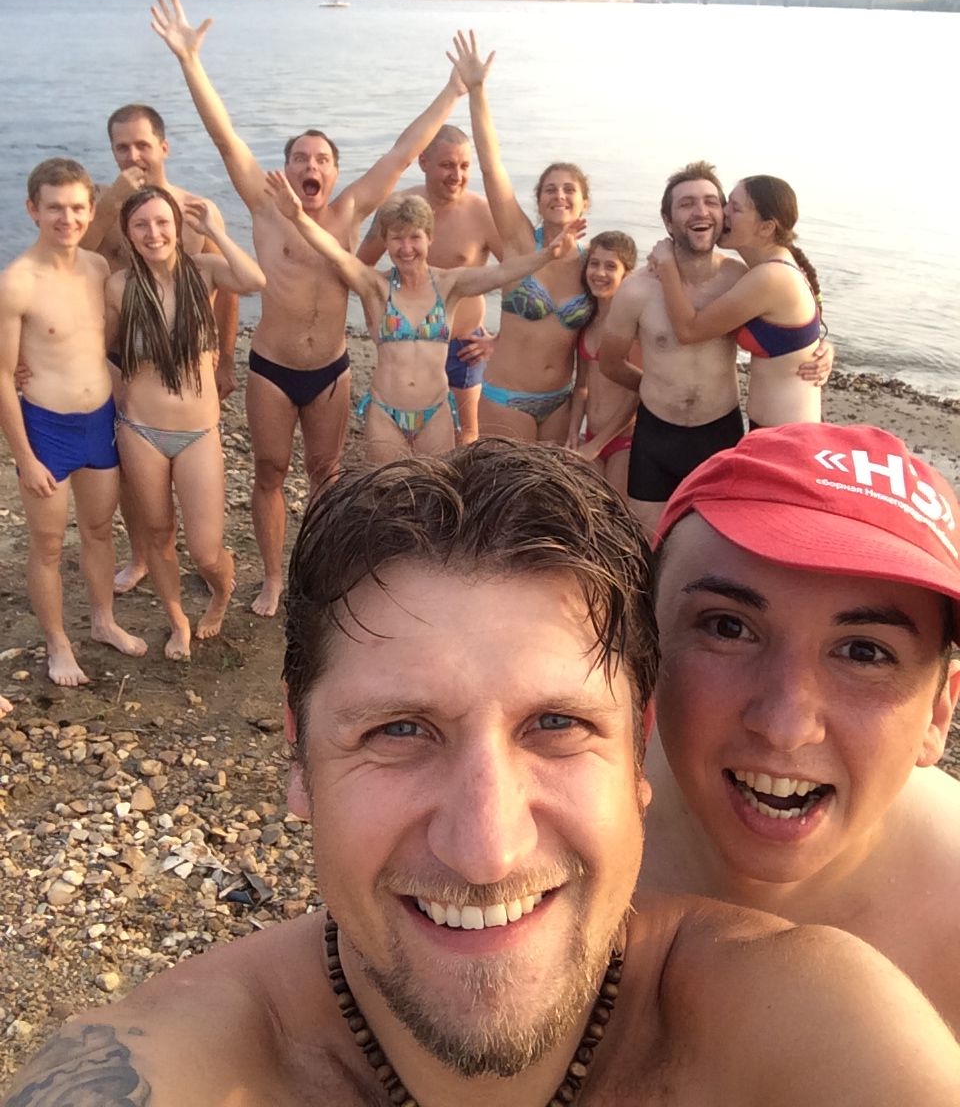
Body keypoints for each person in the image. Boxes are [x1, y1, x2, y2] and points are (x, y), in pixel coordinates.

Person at [8, 441, 959, 1105]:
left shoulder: (812, 1012)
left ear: (636, 751)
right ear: (296, 753)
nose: (486, 848)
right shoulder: (169, 1060)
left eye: (557, 725)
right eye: (400, 730)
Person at [151, 0, 468, 617]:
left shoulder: (349, 211)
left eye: (322, 159)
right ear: (286, 170)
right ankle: (273, 577)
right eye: (300, 158)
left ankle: (319, 570)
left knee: (327, 474)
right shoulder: (266, 207)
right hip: (271, 366)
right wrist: (190, 59)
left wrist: (454, 91)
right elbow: (224, 137)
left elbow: (403, 151)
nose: (311, 166)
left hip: (331, 369)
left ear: (335, 171)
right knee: (268, 472)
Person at [642, 421, 960, 1030]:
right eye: (728, 628)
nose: (785, 726)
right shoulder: (530, 842)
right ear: (644, 651)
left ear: (938, 713)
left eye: (864, 653)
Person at [268, 174, 582, 463]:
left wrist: (547, 255)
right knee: (389, 492)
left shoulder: (449, 285)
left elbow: (502, 273)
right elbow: (336, 255)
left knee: (434, 493)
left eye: (414, 237)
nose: (406, 248)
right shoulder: (375, 287)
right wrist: (297, 216)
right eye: (396, 239)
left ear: (429, 238)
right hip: (385, 412)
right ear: (386, 242)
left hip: (436, 412)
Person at [600, 161, 830, 540]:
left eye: (712, 201)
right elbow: (610, 363)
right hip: (656, 434)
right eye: (686, 203)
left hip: (721, 432)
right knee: (648, 543)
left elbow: (793, 311)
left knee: (715, 545)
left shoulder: (742, 279)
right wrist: (656, 386)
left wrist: (821, 345)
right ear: (668, 220)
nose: (701, 211)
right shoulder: (637, 290)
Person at [0, 159, 147, 687]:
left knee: (99, 530)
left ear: (90, 210)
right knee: (47, 545)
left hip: (98, 420)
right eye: (55, 208)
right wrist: (24, 457)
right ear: (33, 209)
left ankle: (103, 621)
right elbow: (3, 377)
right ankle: (57, 643)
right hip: (47, 427)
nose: (67, 218)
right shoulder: (17, 282)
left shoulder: (97, 268)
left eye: (77, 208)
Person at [85, 102, 240, 596]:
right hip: (118, 350)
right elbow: (73, 262)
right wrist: (111, 202)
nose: (133, 156)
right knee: (132, 466)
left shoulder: (193, 211)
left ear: (163, 147)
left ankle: (195, 557)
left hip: (183, 357)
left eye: (142, 145)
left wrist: (226, 357)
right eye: (122, 147)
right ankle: (141, 555)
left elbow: (227, 289)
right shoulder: (102, 207)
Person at [105, 187, 266, 660]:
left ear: (177, 226)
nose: (153, 233)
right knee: (158, 535)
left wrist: (216, 229)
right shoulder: (119, 286)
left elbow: (254, 280)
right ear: (128, 233)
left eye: (162, 222)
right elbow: (103, 350)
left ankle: (220, 591)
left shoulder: (204, 270)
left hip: (198, 433)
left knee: (206, 550)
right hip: (141, 430)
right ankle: (177, 620)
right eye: (141, 225)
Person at [448, 31, 593, 443]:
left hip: (560, 401)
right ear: (539, 200)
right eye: (550, 189)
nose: (559, 195)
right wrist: (478, 91)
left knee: (546, 487)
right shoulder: (518, 242)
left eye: (569, 190)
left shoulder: (593, 265)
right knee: (506, 485)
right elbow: (491, 164)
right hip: (506, 398)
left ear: (584, 204)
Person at [357, 124, 504, 443]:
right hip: (406, 343)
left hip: (464, 347)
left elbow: (516, 278)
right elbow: (361, 268)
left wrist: (498, 340)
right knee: (401, 438)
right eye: (447, 165)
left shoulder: (482, 212)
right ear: (423, 161)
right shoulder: (399, 207)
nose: (457, 175)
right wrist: (376, 323)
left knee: (464, 436)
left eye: (464, 166)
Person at [648, 175, 824, 428]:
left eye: (735, 208)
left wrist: (667, 265)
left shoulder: (771, 277)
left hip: (789, 434)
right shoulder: (772, 270)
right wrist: (824, 347)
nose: (723, 212)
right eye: (726, 203)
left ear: (766, 228)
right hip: (777, 429)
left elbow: (688, 330)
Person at [566, 231, 640, 500]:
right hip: (590, 436)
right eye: (594, 264)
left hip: (623, 440)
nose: (600, 273)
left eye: (611, 266)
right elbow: (581, 387)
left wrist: (598, 444)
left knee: (617, 513)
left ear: (626, 274)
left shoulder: (632, 325)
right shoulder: (588, 321)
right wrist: (574, 433)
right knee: (589, 510)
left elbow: (637, 393)